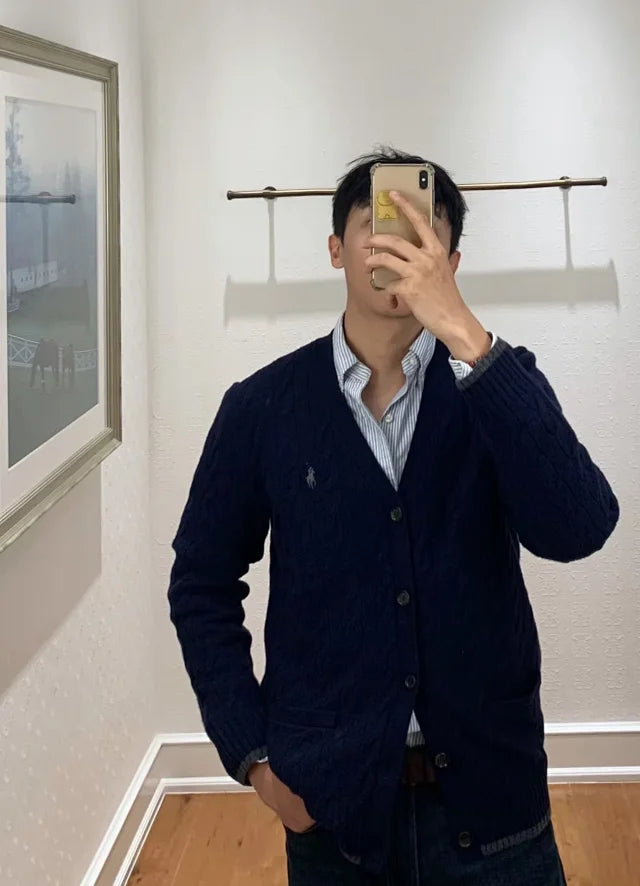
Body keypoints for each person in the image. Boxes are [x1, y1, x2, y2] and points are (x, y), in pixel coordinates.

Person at [168, 148, 619, 885]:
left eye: (424, 232)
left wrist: (468, 337)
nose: (400, 248)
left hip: (496, 805)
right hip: (331, 810)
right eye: (380, 226)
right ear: (336, 249)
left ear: (452, 262)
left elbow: (580, 527)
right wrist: (253, 756)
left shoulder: (499, 385)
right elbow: (201, 585)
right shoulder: (262, 408)